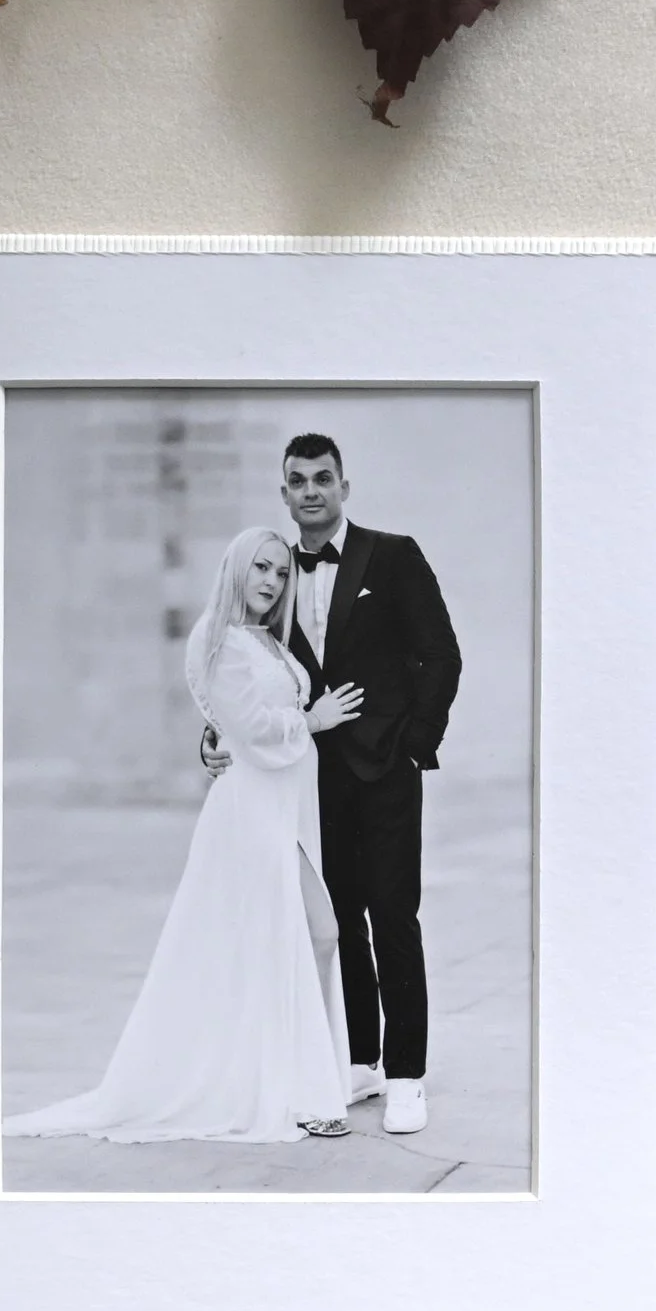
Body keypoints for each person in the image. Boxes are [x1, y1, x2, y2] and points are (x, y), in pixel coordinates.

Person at [6, 528, 364, 1144]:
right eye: (261, 568)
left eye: (281, 573)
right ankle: (296, 1087)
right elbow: (250, 729)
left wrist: (220, 734)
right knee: (310, 931)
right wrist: (313, 719)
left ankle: (300, 1079)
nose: (272, 581)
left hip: (285, 809)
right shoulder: (217, 637)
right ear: (235, 569)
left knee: (304, 935)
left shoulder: (265, 643)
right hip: (251, 812)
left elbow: (228, 722)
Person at [206, 433, 461, 1136]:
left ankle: (408, 1074)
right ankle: (362, 1059)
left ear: (344, 486)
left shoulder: (394, 554)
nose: (311, 490)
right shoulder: (276, 572)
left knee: (393, 918)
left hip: (386, 773)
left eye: (324, 477)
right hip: (312, 780)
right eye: (298, 480)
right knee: (338, 920)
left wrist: (415, 744)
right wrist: (219, 737)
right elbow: (244, 666)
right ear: (283, 493)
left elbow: (441, 654)